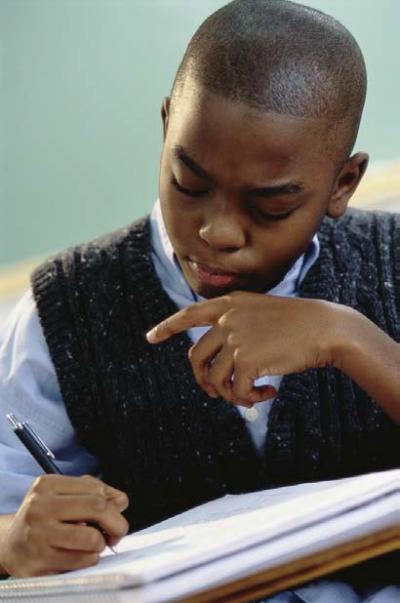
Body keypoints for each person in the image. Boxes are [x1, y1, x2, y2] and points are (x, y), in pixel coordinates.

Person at [0, 0, 398, 600]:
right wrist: (13, 541)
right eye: (190, 183)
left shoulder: (390, 262)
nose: (217, 232)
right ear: (167, 129)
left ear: (343, 183)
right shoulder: (64, 309)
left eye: (270, 207)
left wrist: (345, 336)